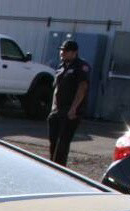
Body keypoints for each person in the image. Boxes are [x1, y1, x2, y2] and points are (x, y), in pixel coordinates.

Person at [47, 39, 89, 167]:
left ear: (74, 52)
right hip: (57, 111)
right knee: (53, 143)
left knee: (62, 144)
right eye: (61, 50)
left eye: (65, 50)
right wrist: (52, 109)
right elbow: (56, 89)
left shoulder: (81, 67)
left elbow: (82, 88)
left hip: (70, 112)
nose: (62, 52)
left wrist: (74, 108)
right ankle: (52, 167)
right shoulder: (61, 66)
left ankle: (60, 170)